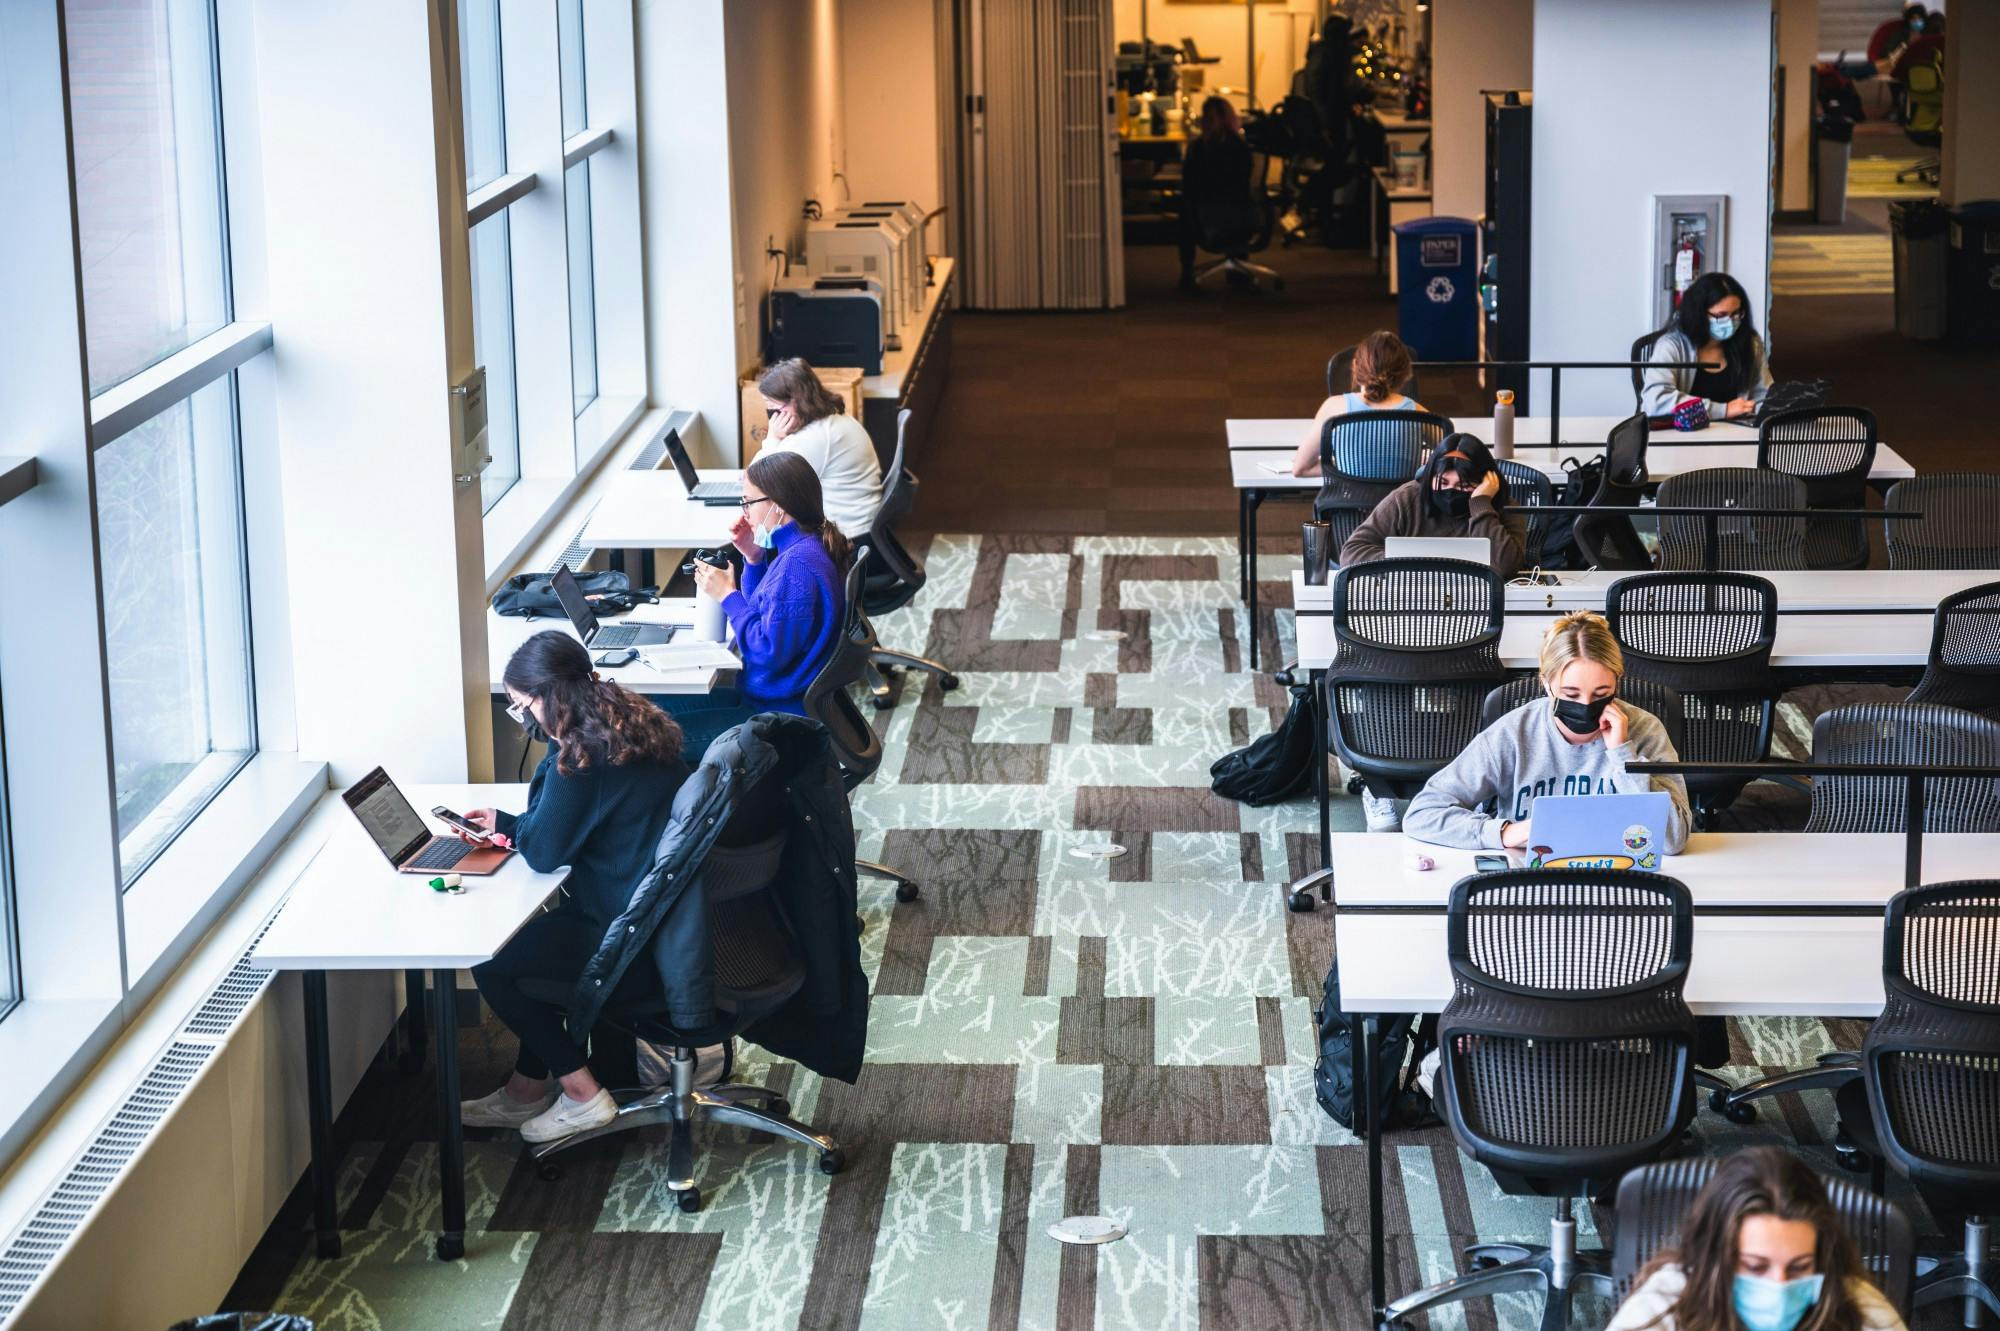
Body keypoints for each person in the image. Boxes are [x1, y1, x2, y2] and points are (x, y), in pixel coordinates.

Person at [459, 631, 694, 1142]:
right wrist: (508, 821)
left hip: (625, 938)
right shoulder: (635, 721)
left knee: (495, 963)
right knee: (537, 946)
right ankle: (525, 1090)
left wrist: (514, 824)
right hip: (665, 923)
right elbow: (565, 827)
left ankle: (583, 1094)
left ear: (549, 697)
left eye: (523, 706)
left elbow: (545, 853)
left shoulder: (581, 757)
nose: (524, 720)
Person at [1400, 609, 1691, 845]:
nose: (1586, 705)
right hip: (1531, 873)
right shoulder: (1514, 733)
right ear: (1546, 684)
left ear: (1617, 681)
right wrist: (1505, 833)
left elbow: (1673, 840)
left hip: (1619, 870)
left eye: (1601, 694)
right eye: (1571, 694)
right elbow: (1422, 813)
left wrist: (1621, 756)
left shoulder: (1645, 730)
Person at [668, 451, 848, 760]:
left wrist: (728, 596)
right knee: (652, 704)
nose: (744, 511)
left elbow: (764, 651)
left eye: (748, 501)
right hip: (772, 697)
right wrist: (753, 558)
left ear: (777, 506)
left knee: (646, 733)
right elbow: (765, 611)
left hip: (774, 716)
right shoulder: (803, 546)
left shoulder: (797, 568)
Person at [1607, 1147, 1908, 1331]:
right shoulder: (1669, 1299)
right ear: (1715, 1257)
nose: (1779, 1287)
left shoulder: (1857, 1307)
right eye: (1755, 1267)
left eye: (1799, 1267)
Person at [1338, 433, 1529, 577]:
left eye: (1464, 486)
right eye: (1443, 483)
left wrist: (1481, 505)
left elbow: (1505, 567)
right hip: (1411, 600)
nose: (1451, 492)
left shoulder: (1502, 507)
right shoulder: (1408, 498)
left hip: (1480, 604)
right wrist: (1409, 564)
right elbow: (1351, 552)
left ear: (1485, 483)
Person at [755, 357, 883, 540]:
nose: (773, 416)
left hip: (846, 539)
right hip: (862, 530)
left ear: (795, 401)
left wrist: (772, 438)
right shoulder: (836, 420)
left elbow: (759, 482)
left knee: (766, 540)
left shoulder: (815, 437)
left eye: (774, 408)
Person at [1290, 330, 1431, 476]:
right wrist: (1412, 462)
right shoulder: (1416, 412)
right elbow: (1452, 454)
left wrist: (1346, 464)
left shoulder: (1334, 408)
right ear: (1406, 372)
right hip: (1401, 499)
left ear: (1355, 366)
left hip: (1347, 498)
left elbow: (1301, 468)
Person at [1640, 271, 1773, 423]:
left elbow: (1766, 398)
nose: (1730, 322)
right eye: (1720, 315)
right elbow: (1656, 401)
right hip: (1682, 438)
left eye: (1736, 314)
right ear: (1699, 314)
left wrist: (1756, 409)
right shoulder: (1671, 346)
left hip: (1736, 436)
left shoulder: (1751, 344)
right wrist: (1723, 410)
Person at [1178, 96, 1256, 291]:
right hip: (1244, 216)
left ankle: (1187, 272)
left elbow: (1190, 186)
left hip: (1206, 217)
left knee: (1184, 207)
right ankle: (1237, 269)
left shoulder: (1198, 148)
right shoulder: (1241, 147)